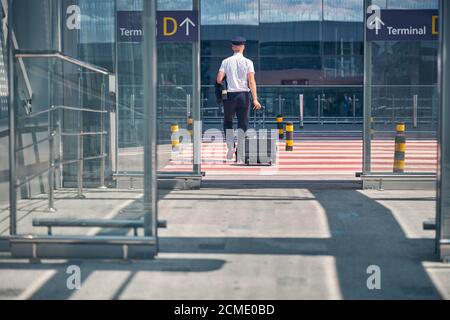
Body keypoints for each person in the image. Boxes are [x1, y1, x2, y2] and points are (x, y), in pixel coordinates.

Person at [216, 36, 262, 160]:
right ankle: (240, 149)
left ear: (232, 47)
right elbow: (251, 81)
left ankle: (231, 147)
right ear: (243, 47)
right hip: (244, 96)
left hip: (230, 96)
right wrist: (255, 99)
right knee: (243, 123)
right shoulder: (248, 62)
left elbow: (219, 79)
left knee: (228, 122)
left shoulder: (226, 62)